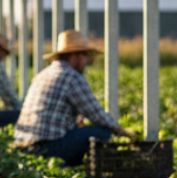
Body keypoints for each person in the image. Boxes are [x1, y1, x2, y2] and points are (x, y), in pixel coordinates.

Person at [13, 29, 128, 166]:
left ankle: (67, 166)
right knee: (102, 133)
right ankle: (65, 166)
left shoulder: (43, 74)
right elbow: (96, 114)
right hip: (47, 148)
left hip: (23, 146)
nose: (87, 61)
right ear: (75, 56)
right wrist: (122, 132)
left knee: (82, 131)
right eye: (85, 56)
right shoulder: (71, 76)